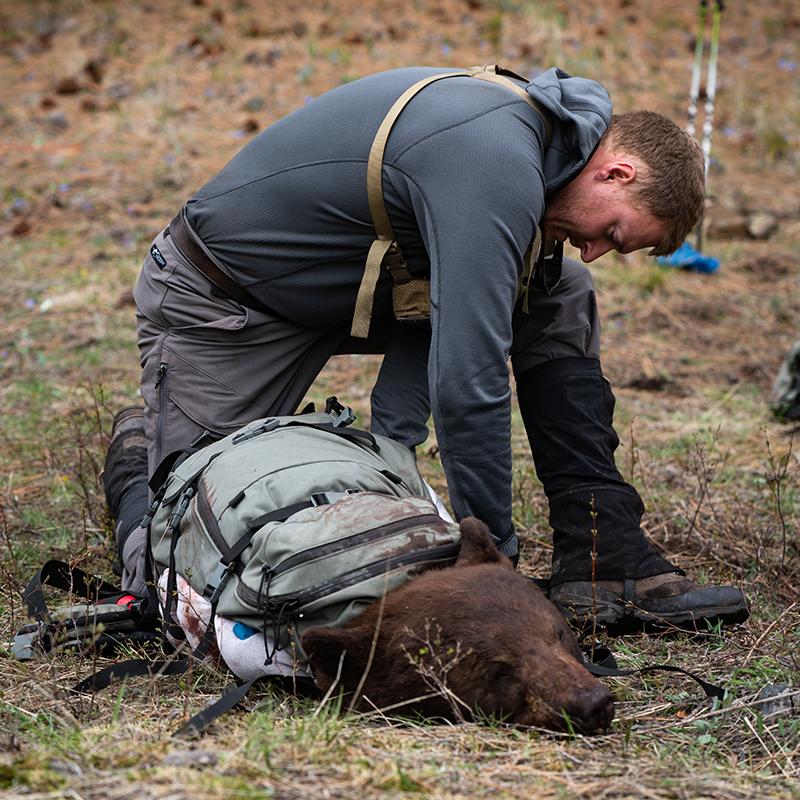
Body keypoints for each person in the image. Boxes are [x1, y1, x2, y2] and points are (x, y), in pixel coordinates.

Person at [103, 65, 748, 629]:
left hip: (354, 286)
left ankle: (602, 550)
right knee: (178, 560)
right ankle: (137, 459)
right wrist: (495, 564)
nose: (595, 249)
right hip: (228, 297)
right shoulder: (498, 160)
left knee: (560, 288)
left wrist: (398, 438)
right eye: (612, 230)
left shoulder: (550, 155)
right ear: (616, 171)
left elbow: (443, 329)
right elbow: (467, 384)